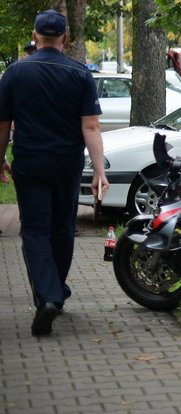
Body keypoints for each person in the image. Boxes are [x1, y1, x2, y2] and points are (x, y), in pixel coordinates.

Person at [0, 9, 109, 336]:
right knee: (62, 228)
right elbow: (91, 126)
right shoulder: (80, 74)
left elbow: (3, 125)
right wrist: (99, 170)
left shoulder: (15, 73)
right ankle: (56, 293)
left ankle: (47, 296)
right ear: (64, 38)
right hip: (67, 164)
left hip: (31, 162)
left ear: (34, 37)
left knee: (34, 231)